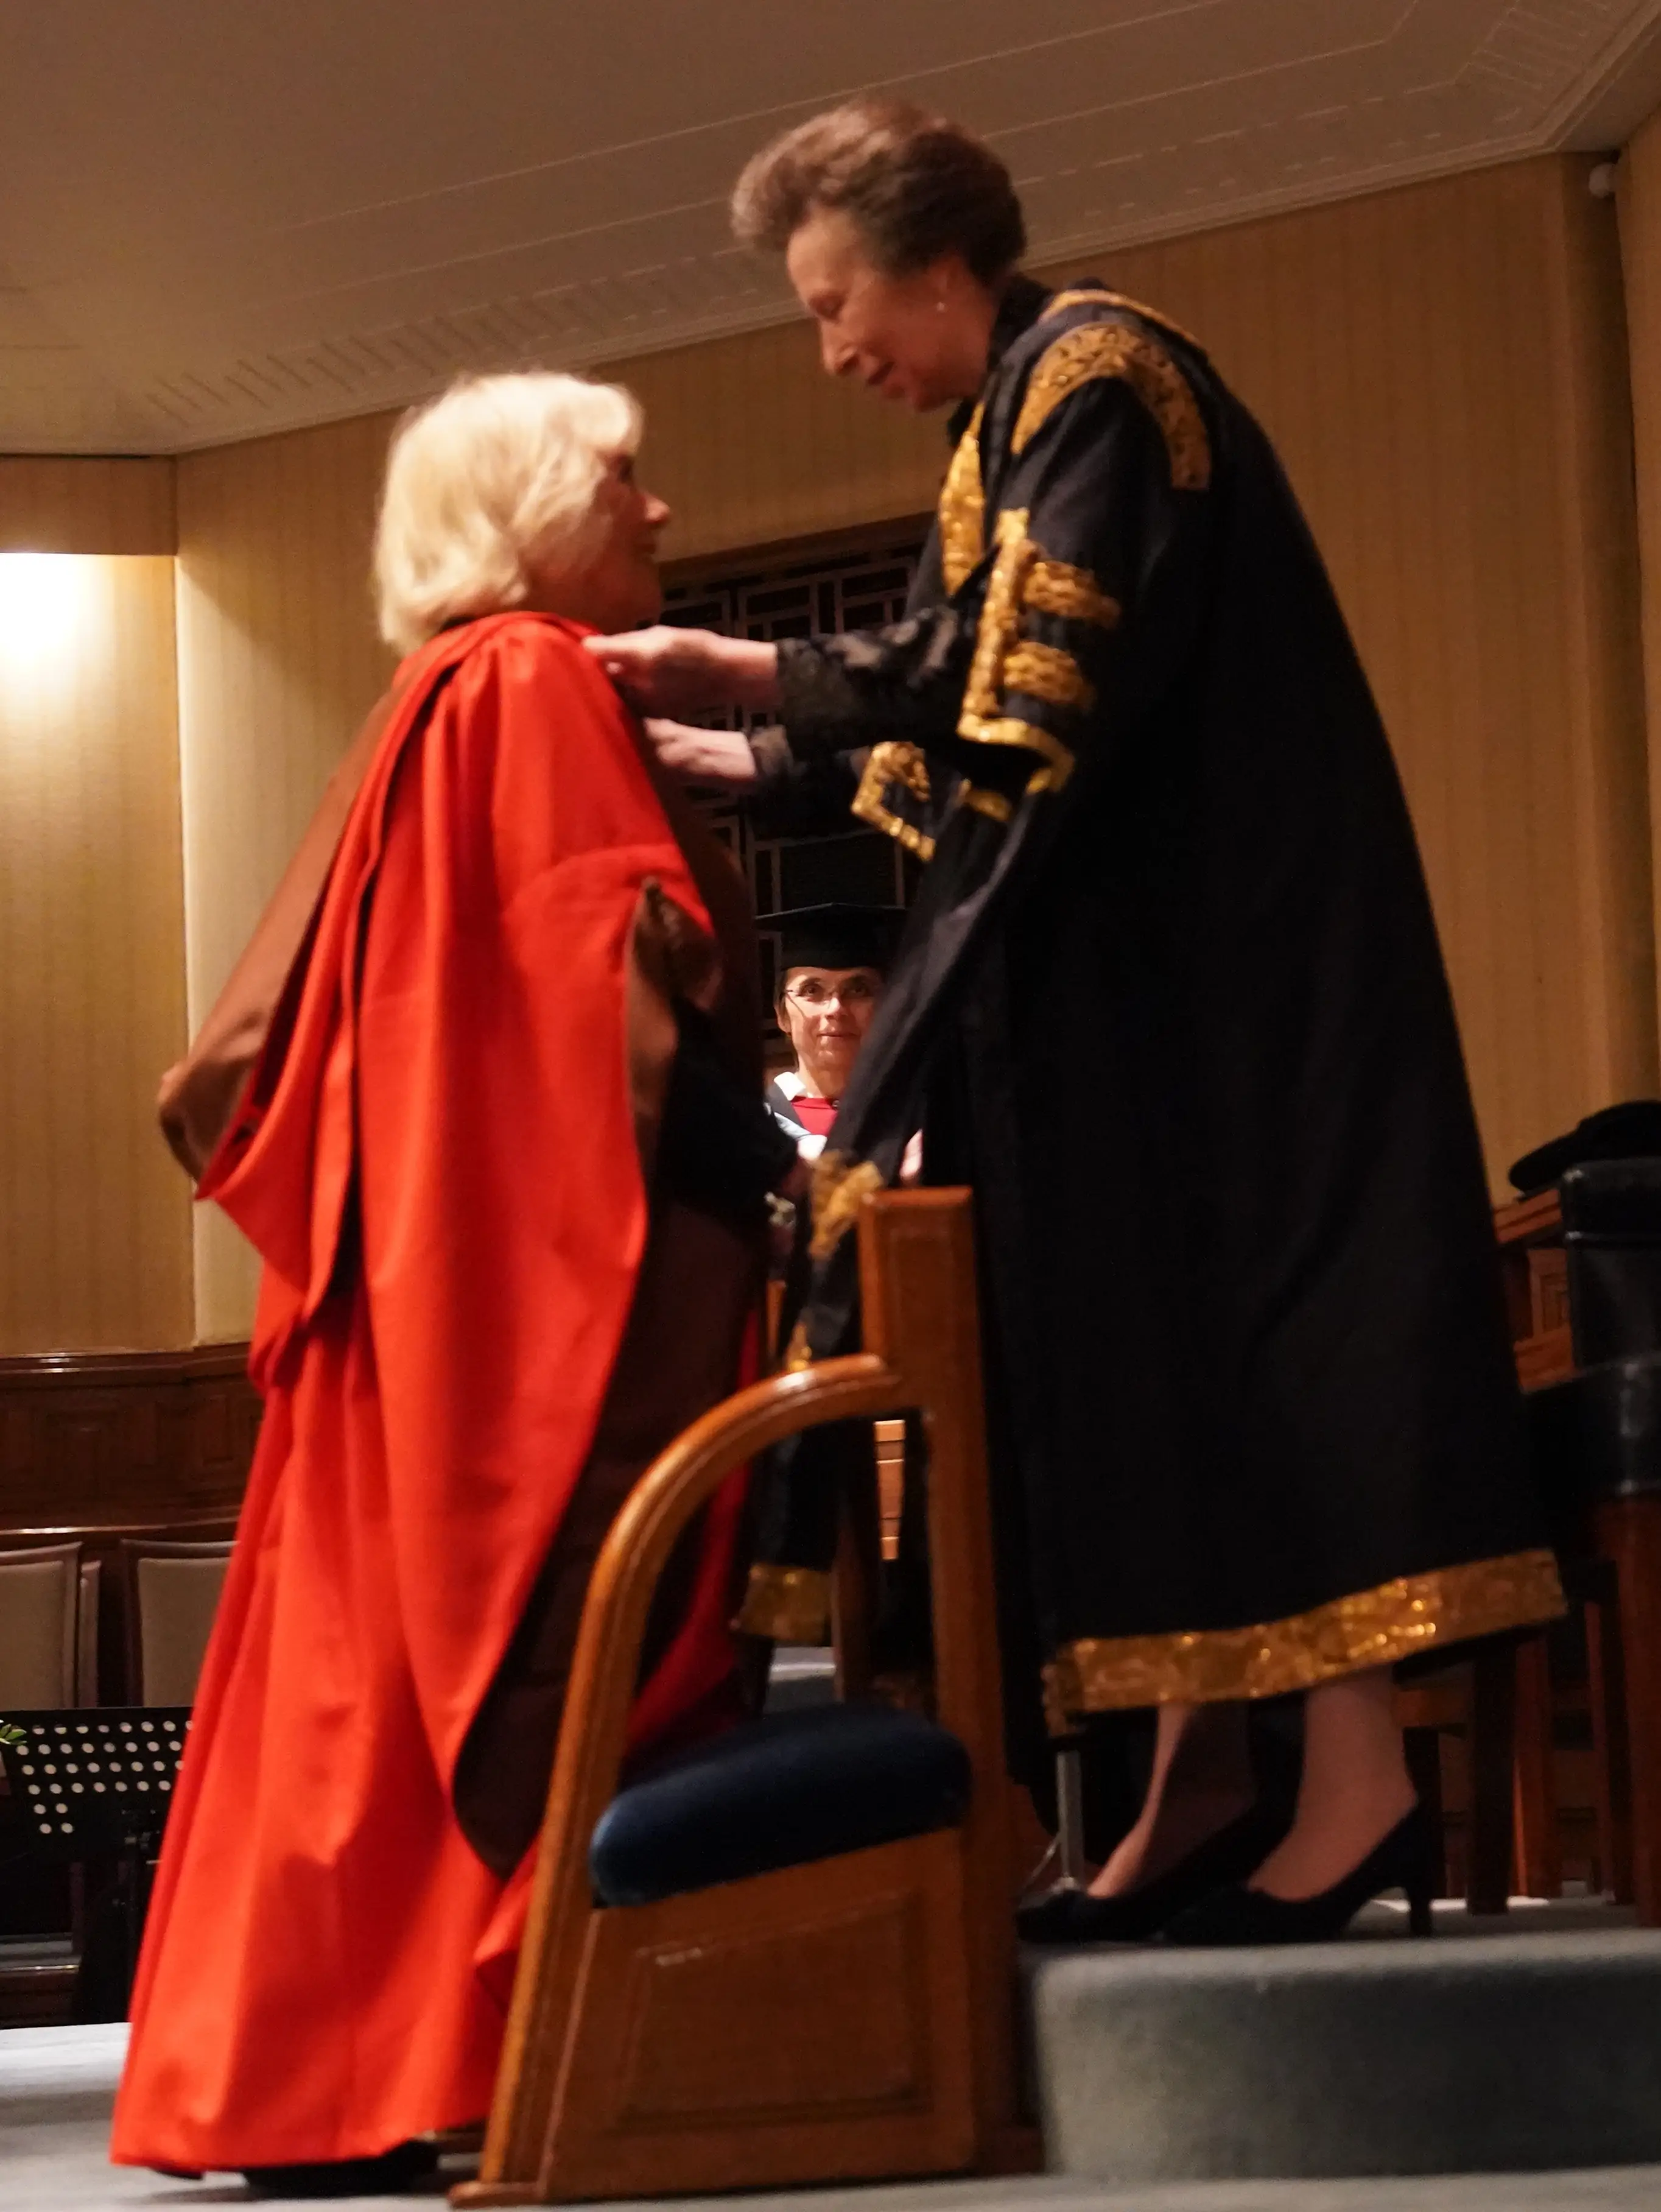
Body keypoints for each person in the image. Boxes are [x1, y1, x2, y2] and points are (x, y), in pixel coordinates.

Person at [588, 98, 1565, 1946]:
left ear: (934, 256)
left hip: (1240, 983)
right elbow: (977, 715)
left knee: (1261, 1344)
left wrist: (750, 672)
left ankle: (1348, 1790)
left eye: (832, 299)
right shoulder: (1010, 418)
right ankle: (1197, 1789)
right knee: (1167, 1361)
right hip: (1150, 988)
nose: (832, 348)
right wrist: (764, 754)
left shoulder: (1097, 374)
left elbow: (1038, 670)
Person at [112, 371, 799, 2192]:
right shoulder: (532, 680)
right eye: (623, 480)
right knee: (471, 1671)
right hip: (495, 1311)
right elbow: (605, 995)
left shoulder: (434, 691)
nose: (658, 512)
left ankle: (321, 2082)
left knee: (352, 1689)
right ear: (520, 515)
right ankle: (427, 2063)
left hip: (407, 1299)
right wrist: (783, 1171)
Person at [764, 903, 897, 1159]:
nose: (835, 1009)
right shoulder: (757, 1128)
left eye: (858, 990)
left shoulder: (916, 1120)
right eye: (812, 990)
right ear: (782, 1015)